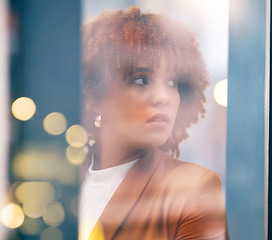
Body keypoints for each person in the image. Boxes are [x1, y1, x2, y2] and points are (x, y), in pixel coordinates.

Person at [80, 7, 228, 240]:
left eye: (172, 81)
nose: (163, 96)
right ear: (97, 95)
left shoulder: (192, 188)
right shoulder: (67, 179)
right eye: (141, 79)